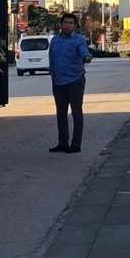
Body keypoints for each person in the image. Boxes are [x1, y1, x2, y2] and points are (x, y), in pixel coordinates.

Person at [48, 12, 92, 153]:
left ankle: (76, 144)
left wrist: (86, 57)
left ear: (75, 26)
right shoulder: (55, 40)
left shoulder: (78, 40)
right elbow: (52, 61)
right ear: (61, 24)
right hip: (58, 82)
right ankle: (62, 142)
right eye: (65, 23)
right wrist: (53, 78)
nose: (68, 25)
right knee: (61, 113)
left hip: (75, 80)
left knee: (76, 113)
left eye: (71, 23)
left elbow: (84, 52)